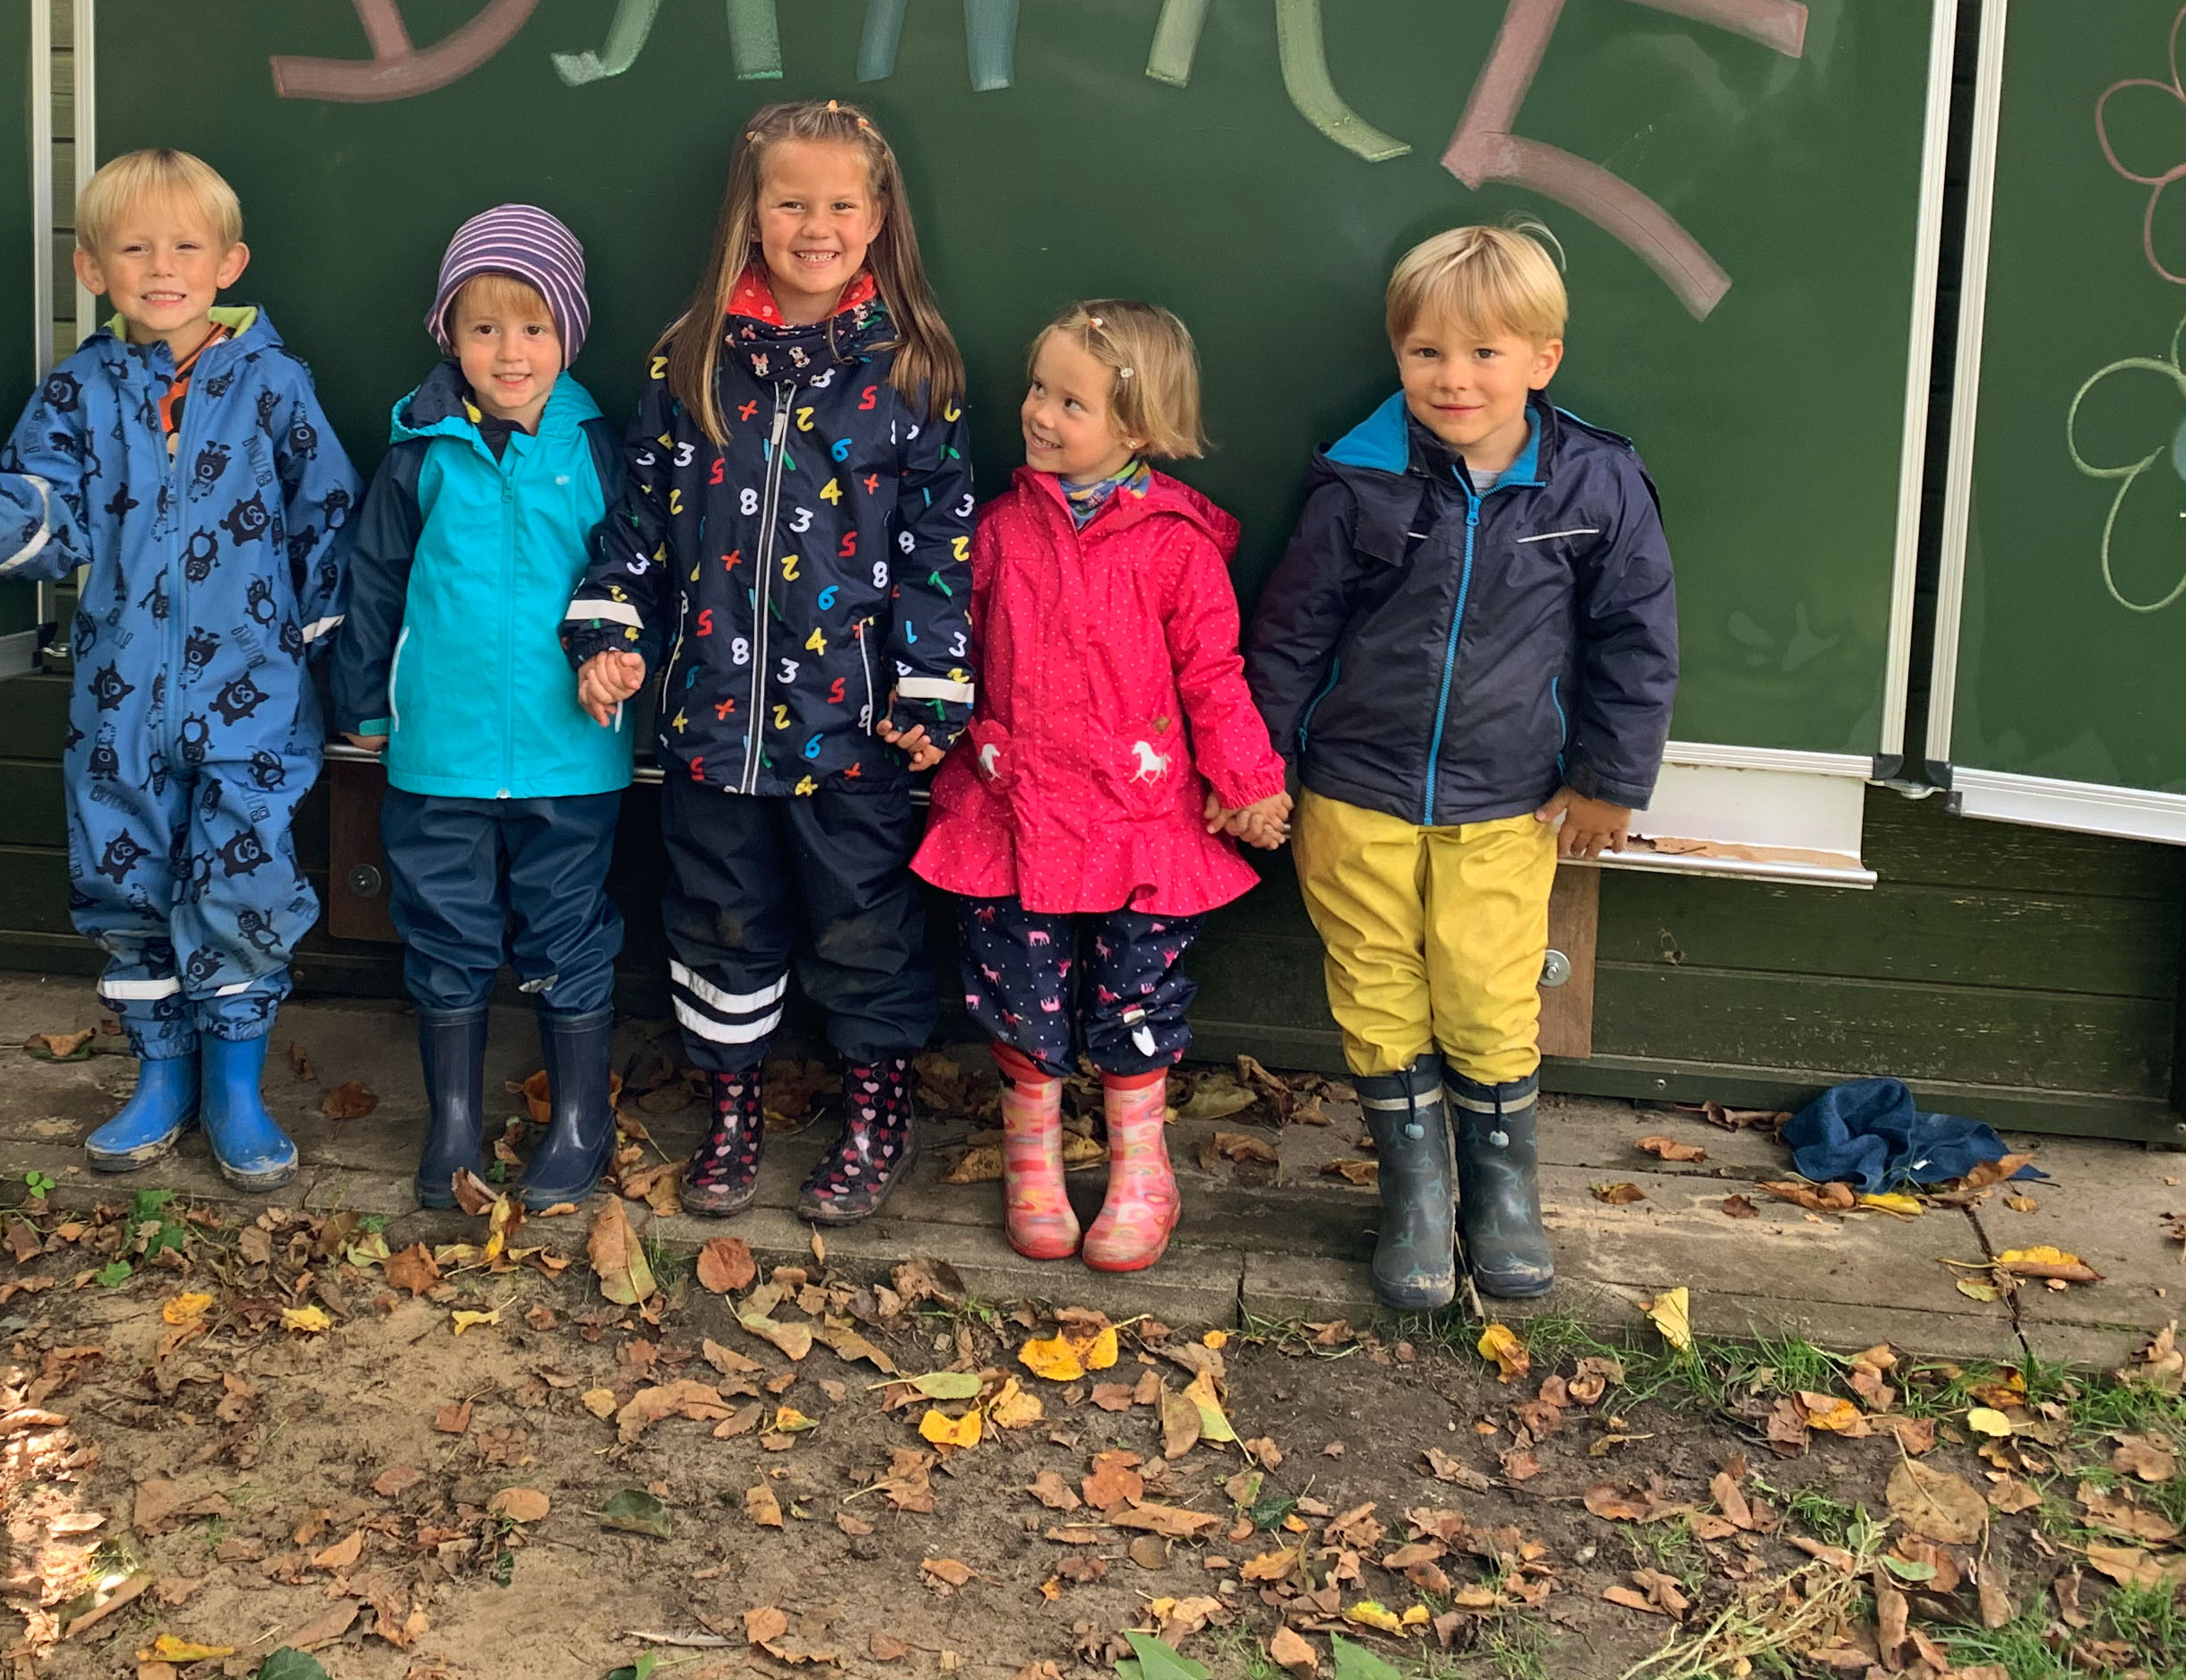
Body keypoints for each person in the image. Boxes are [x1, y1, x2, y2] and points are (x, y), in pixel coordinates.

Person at [0, 147, 354, 1188]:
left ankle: (236, 1090)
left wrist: (325, 668)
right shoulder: (77, 391)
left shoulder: (272, 384)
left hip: (252, 704)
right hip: (119, 701)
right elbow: (57, 523)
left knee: (245, 883)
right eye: (134, 248)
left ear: (229, 262)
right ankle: (162, 1079)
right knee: (125, 880)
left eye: (184, 247)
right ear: (92, 269)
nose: (160, 267)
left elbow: (329, 527)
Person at [1245, 226, 1675, 1312]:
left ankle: (1503, 1197)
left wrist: (1611, 780)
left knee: (1488, 998)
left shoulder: (1595, 482)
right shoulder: (1360, 477)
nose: (1455, 378)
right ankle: (1416, 1195)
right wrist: (1263, 764)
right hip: (1354, 792)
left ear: (1544, 358)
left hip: (1510, 799)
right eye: (1428, 352)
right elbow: (1292, 632)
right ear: (1398, 354)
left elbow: (1636, 637)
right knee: (1378, 994)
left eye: (1487, 353)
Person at [564, 99, 976, 1226]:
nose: (815, 224)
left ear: (880, 215)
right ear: (750, 214)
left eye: (841, 204)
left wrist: (933, 682)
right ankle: (734, 1105)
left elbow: (943, 542)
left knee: (865, 925)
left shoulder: (914, 367)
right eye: (790, 201)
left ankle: (873, 1108)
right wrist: (610, 631)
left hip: (856, 733)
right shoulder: (689, 355)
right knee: (719, 917)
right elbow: (637, 526)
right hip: (712, 719)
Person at [914, 301, 1288, 1274]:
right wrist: (925, 723)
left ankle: (1140, 1169)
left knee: (1135, 999)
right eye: (1039, 389)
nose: (1039, 413)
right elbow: (947, 648)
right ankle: (1030, 1161)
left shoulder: (1177, 548)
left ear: (1138, 430)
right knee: (1020, 994)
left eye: (1070, 401)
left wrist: (1246, 781)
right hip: (1016, 808)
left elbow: (1214, 671)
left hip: (1139, 821)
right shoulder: (996, 531)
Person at [331, 207, 632, 1211]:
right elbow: (372, 579)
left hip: (567, 750)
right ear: (449, 338)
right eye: (485, 329)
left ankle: (579, 1120)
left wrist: (624, 653)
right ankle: (452, 1120)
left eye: (535, 328)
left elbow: (634, 575)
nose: (511, 353)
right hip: (443, 748)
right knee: (445, 928)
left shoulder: (594, 448)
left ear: (569, 337)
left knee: (566, 929)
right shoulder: (420, 450)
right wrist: (366, 699)